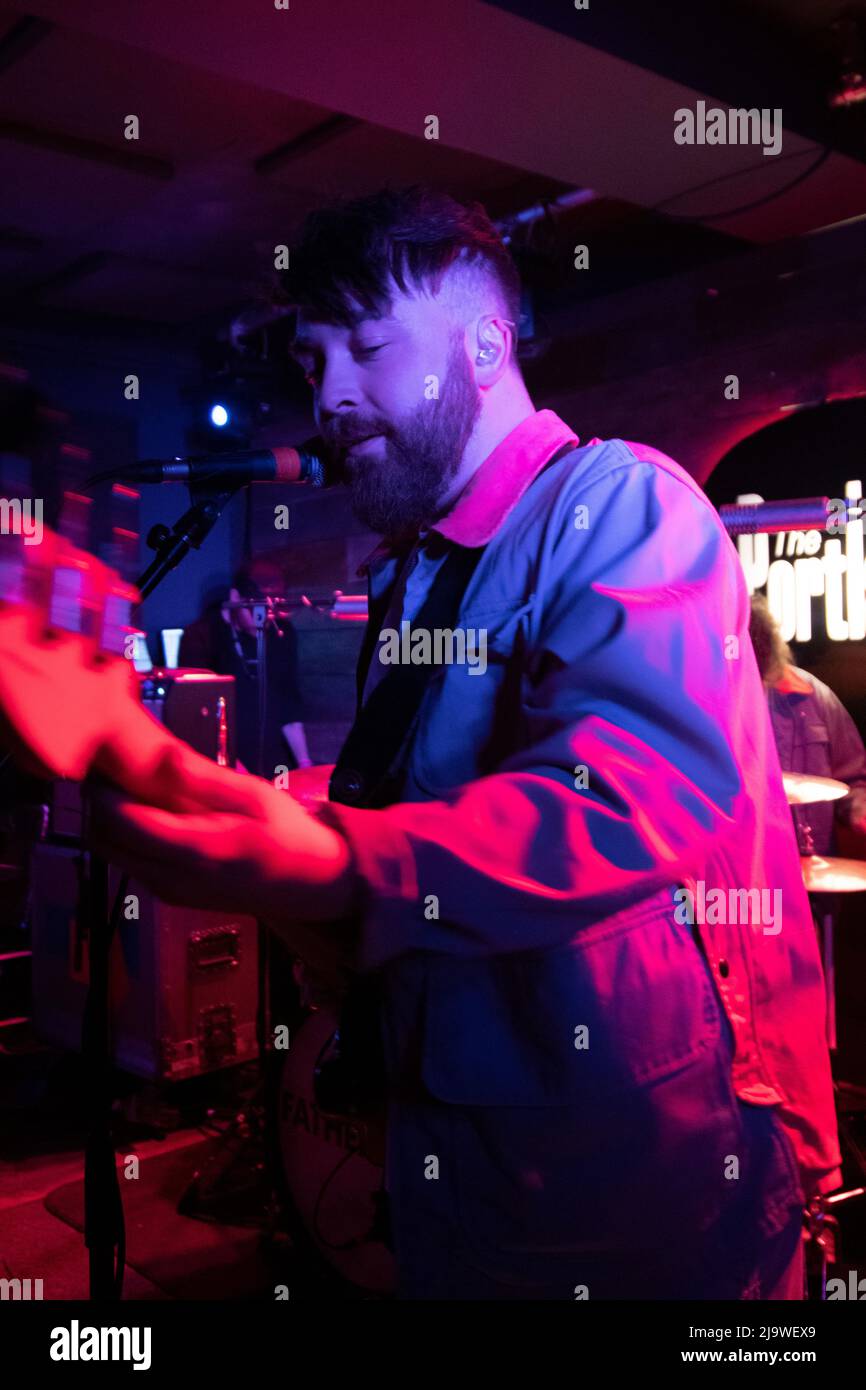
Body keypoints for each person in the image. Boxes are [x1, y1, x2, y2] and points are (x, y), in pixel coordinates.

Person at [90, 185, 840, 1300]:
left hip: (649, 1195)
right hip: (477, 1184)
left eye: (367, 346)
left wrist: (334, 858)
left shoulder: (621, 501)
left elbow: (618, 800)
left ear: (486, 344)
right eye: (311, 360)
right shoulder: (416, 573)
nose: (330, 392)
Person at [749, 592, 866, 856]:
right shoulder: (707, 706)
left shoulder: (813, 695)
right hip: (747, 878)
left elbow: (852, 782)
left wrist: (859, 809)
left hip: (815, 874)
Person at [179, 564, 311, 777]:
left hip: (277, 764)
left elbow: (289, 704)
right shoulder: (200, 636)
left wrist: (305, 764)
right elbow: (200, 720)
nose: (266, 618)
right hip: (226, 768)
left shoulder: (282, 632)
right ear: (235, 597)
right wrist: (240, 775)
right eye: (257, 609)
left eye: (271, 609)